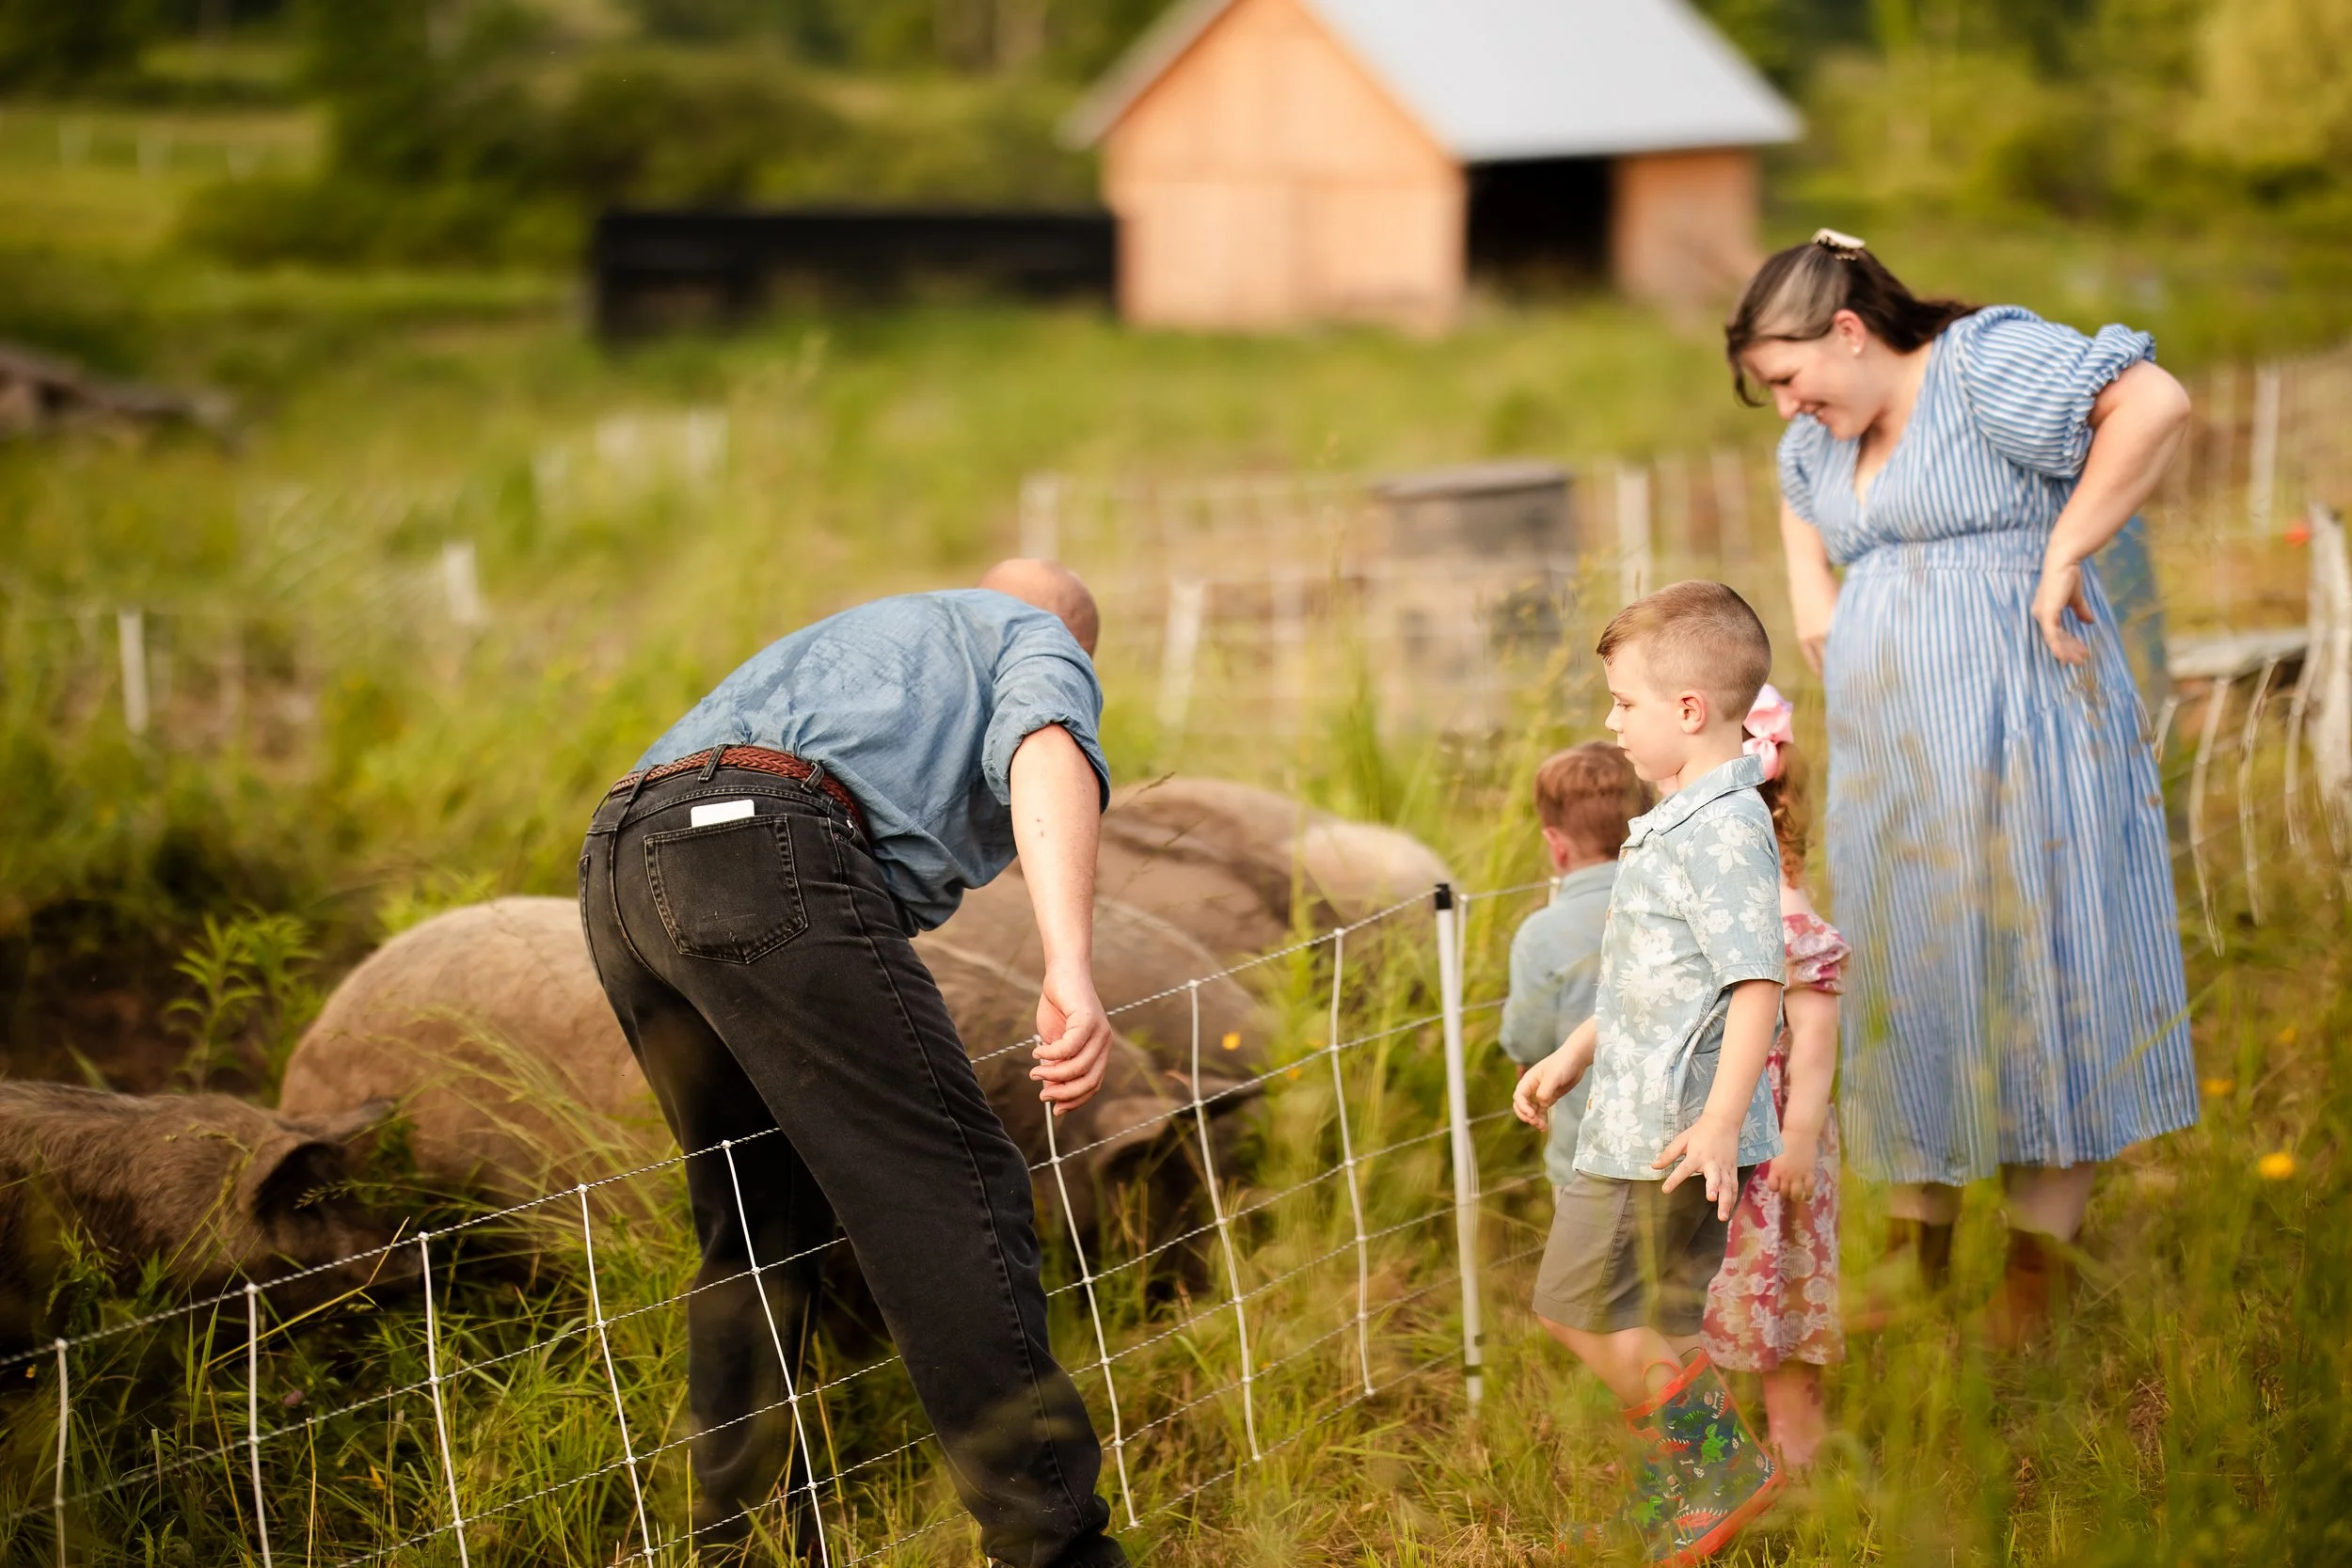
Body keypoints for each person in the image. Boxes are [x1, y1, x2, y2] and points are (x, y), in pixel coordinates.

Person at [576, 560, 1129, 1567]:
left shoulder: (867, 635)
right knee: (951, 1191)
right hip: (762, 840)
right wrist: (1070, 965)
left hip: (619, 859)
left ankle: (739, 1548)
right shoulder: (1030, 630)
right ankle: (1052, 1552)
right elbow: (1047, 745)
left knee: (758, 1224)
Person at [1726, 230, 2200, 1347]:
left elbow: (2154, 402)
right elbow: (1797, 499)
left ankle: (2038, 1269)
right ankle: (1915, 1255)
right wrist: (1810, 589)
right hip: (1893, 754)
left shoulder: (1980, 362)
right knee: (1907, 973)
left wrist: (2066, 548)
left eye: (1789, 378)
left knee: (2041, 961)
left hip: (2025, 722)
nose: (1787, 407)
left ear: (1848, 331)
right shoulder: (1820, 440)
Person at [1514, 581, 1788, 1565]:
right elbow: (1654, 978)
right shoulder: (1681, 818)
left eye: (1624, 701)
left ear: (1689, 708)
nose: (1611, 720)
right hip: (1649, 1115)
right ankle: (1700, 1497)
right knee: (1659, 1316)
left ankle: (1720, 1476)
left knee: (1572, 1305)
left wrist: (1716, 1120)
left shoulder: (1721, 828)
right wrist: (1573, 1049)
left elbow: (1756, 981)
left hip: (1662, 1131)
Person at [1699, 686, 1848, 1470]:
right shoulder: (1737, 909)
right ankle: (1727, 1452)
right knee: (1723, 1283)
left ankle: (1798, 1446)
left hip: (1777, 1144)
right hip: (1726, 1131)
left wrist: (1797, 1135)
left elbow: (1814, 1040)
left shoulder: (1789, 920)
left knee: (1780, 1283)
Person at [1495, 744, 1650, 1190]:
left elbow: (1528, 1039)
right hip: (1688, 1148)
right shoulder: (1675, 902)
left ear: (1556, 846)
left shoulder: (1542, 934)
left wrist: (1527, 1059)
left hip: (1588, 1159)